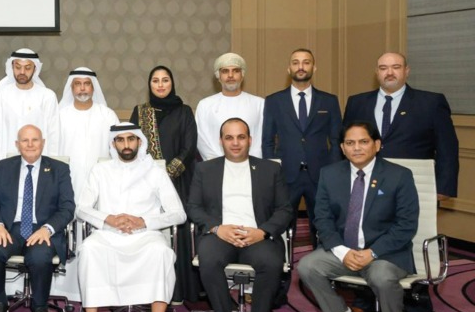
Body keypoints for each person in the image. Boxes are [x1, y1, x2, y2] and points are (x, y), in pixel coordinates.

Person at [297, 120, 419, 312]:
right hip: (344, 251)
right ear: (342, 148)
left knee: (381, 277)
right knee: (307, 266)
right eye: (350, 143)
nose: (357, 148)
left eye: (363, 142)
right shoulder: (329, 174)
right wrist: (343, 251)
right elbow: (321, 218)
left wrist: (371, 253)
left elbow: (406, 225)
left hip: (384, 254)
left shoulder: (399, 176)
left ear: (377, 144)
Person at [75, 122, 186, 312]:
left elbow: (179, 214)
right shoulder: (100, 170)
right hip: (108, 233)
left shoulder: (155, 171)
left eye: (131, 139)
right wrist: (108, 219)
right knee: (89, 249)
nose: (126, 145)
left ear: (139, 141)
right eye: (120, 140)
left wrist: (143, 221)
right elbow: (81, 208)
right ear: (113, 143)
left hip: (145, 235)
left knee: (161, 252)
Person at [187, 119, 294, 312]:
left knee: (271, 262)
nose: (235, 143)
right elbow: (194, 207)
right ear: (221, 141)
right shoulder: (205, 169)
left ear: (250, 140)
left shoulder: (270, 169)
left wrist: (262, 232)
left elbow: (285, 209)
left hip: (257, 235)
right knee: (209, 259)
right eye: (229, 137)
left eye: (241, 137)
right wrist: (217, 228)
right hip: (220, 235)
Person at [0, 125, 75, 312]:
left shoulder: (59, 169)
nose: (30, 144)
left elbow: (67, 207)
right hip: (9, 228)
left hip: (42, 229)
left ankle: (40, 307)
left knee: (40, 256)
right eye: (25, 140)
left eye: (35, 140)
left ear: (43, 143)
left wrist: (47, 229)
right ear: (17, 145)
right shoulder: (3, 167)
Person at [343, 52, 458, 201]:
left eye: (396, 67)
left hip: (415, 184)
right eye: (383, 68)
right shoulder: (357, 102)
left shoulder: (431, 103)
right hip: (365, 183)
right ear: (377, 72)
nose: (389, 72)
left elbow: (447, 148)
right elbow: (346, 144)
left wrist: (444, 188)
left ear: (406, 71)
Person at [130, 65, 201, 304]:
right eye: (155, 81)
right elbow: (130, 146)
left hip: (178, 181)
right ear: (149, 85)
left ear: (172, 83)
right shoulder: (140, 112)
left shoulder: (184, 111)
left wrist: (167, 173)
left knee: (178, 233)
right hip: (145, 182)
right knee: (147, 232)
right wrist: (151, 177)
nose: (160, 85)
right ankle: (145, 291)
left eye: (165, 80)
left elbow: (190, 148)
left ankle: (179, 292)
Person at [261, 49, 342, 249]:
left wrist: (332, 170)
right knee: (283, 225)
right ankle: (284, 273)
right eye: (296, 62)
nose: (301, 67)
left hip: (321, 175)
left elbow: (337, 139)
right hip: (286, 174)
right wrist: (274, 170)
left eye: (306, 62)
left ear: (313, 67)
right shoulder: (274, 101)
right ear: (289, 68)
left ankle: (319, 271)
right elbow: (267, 140)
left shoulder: (329, 101)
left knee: (322, 224)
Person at [0, 49, 58, 178]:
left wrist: (49, 171)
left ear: (35, 69)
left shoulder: (47, 97)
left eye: (27, 68)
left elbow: (54, 136)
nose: (22, 72)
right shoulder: (1, 96)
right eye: (18, 67)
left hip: (39, 168)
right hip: (7, 167)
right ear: (12, 67)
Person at [53, 67, 118, 200]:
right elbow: (53, 151)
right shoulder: (60, 116)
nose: (82, 88)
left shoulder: (107, 115)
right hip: (68, 179)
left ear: (93, 87)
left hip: (101, 180)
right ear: (71, 88)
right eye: (77, 84)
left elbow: (117, 150)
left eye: (87, 84)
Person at [195, 53, 265, 161]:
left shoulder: (259, 104)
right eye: (225, 71)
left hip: (252, 167)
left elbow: (261, 139)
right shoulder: (205, 105)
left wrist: (249, 162)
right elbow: (202, 140)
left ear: (242, 75)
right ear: (218, 76)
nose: (230, 75)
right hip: (216, 168)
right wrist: (220, 163)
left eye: (236, 71)